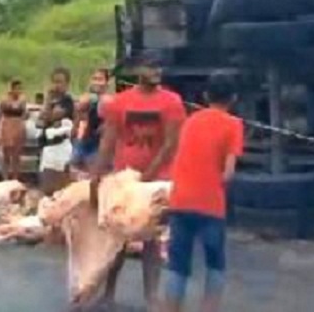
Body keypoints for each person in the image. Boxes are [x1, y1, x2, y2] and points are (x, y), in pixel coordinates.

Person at [91, 55, 186, 311]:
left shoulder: (172, 102)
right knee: (117, 239)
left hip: (157, 180)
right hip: (124, 177)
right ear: (137, 71)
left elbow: (171, 144)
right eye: (150, 66)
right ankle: (108, 293)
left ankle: (152, 297)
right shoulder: (121, 102)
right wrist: (96, 175)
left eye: (158, 66)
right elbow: (108, 141)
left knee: (151, 240)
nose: (155, 71)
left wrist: (147, 176)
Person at [164, 72, 244, 312]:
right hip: (210, 204)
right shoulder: (234, 125)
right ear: (234, 98)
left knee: (178, 265)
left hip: (180, 200)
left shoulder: (191, 120)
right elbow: (228, 172)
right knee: (215, 263)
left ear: (206, 95)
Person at [71, 68, 113, 175]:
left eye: (100, 79)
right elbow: (78, 117)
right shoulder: (86, 98)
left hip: (98, 144)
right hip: (81, 140)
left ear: (106, 83)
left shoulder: (110, 100)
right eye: (94, 79)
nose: (97, 82)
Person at [0, 79, 28, 181]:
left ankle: (15, 177)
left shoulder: (23, 100)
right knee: (6, 154)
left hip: (18, 126)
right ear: (12, 88)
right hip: (7, 126)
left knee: (17, 155)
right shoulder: (4, 100)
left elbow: (24, 115)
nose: (19, 91)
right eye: (17, 88)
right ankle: (5, 178)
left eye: (20, 88)